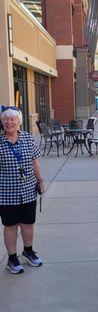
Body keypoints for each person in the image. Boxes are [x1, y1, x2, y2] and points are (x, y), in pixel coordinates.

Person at [0, 106, 45, 274]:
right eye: (6, 119)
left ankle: (28, 250)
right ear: (2, 122)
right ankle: (12, 258)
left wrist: (40, 180)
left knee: (28, 224)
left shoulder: (27, 138)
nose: (9, 122)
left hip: (28, 190)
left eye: (12, 119)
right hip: (6, 193)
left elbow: (35, 161)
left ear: (19, 121)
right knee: (10, 225)